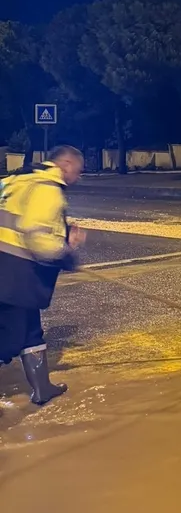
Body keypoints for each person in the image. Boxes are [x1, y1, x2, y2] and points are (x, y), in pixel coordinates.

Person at [0, 145, 87, 406]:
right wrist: (67, 253)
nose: (78, 177)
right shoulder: (49, 189)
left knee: (30, 332)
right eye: (78, 171)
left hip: (9, 269)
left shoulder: (16, 180)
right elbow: (35, 234)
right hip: (15, 273)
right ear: (67, 164)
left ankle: (42, 389)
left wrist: (62, 231)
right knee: (8, 338)